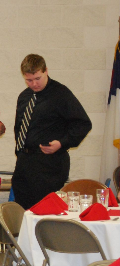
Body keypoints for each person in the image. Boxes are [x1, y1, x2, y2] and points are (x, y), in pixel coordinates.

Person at [12, 54, 92, 209]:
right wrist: (20, 151)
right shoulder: (24, 96)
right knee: (23, 210)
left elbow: (83, 123)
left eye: (37, 78)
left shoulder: (61, 94)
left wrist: (62, 143)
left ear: (46, 71)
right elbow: (19, 127)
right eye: (29, 80)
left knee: (45, 210)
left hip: (50, 164)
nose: (34, 84)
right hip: (25, 163)